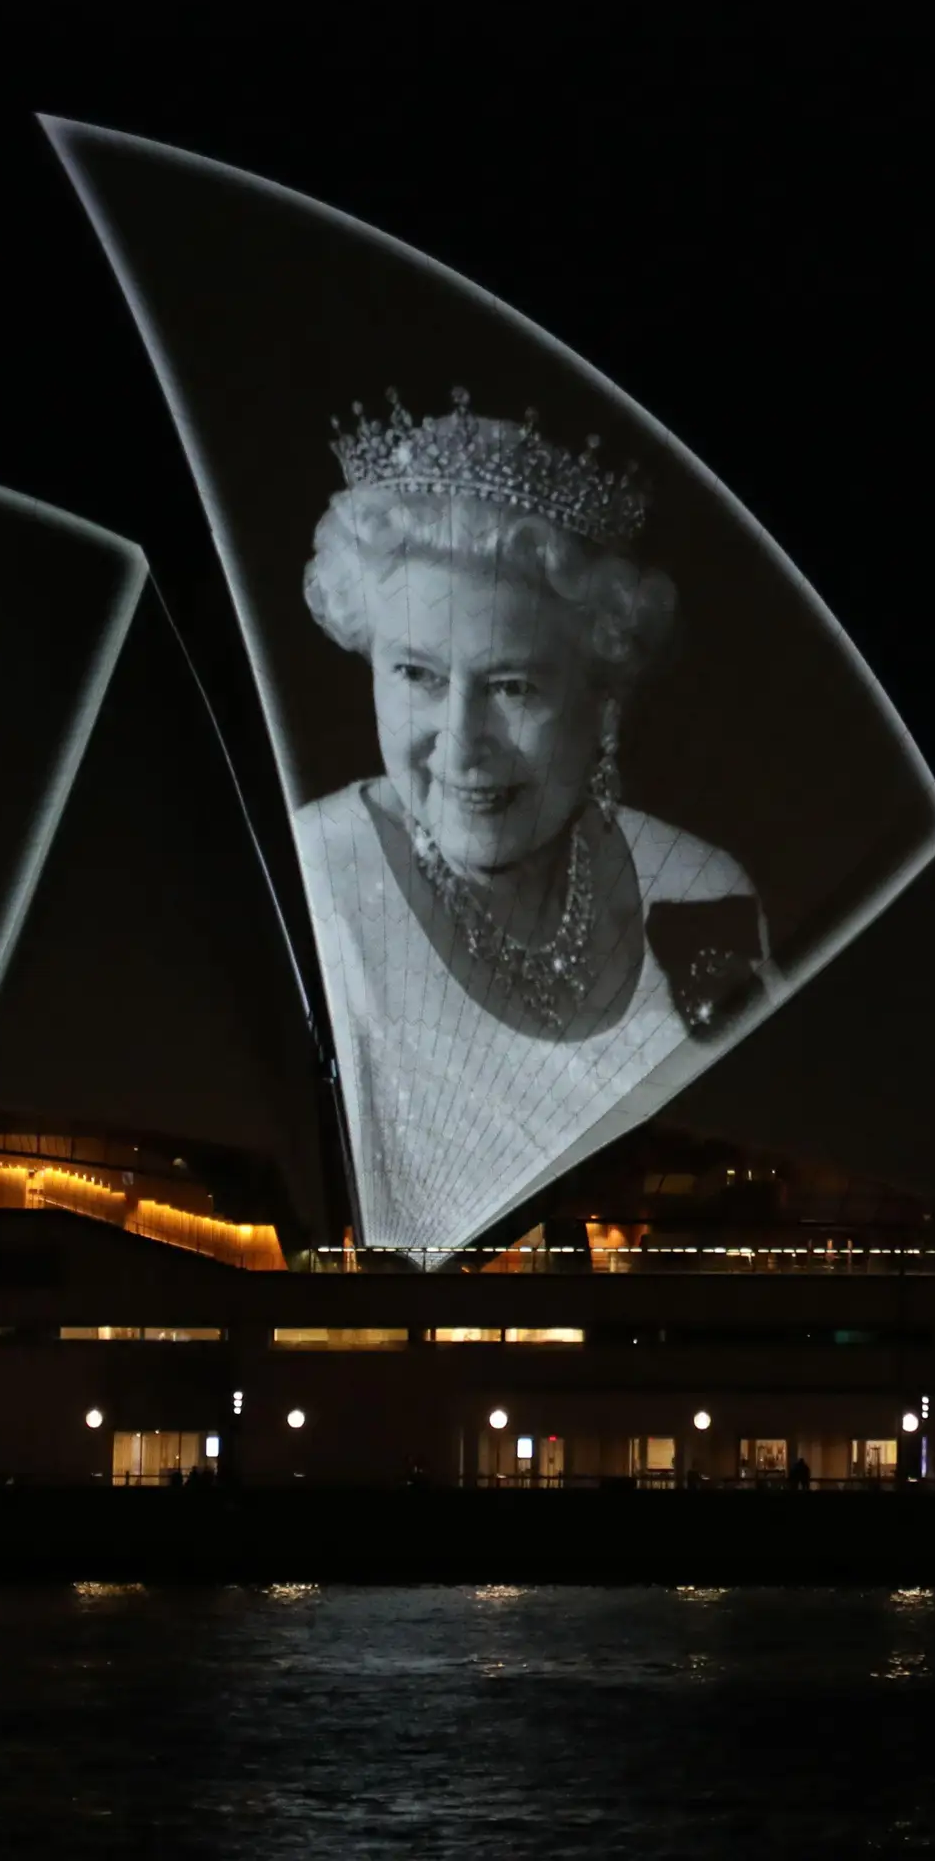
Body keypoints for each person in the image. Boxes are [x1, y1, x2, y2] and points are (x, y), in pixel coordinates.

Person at [296, 392, 765, 1252]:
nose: (463, 744)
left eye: (512, 687)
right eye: (416, 675)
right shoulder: (312, 885)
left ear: (602, 696)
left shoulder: (703, 893)